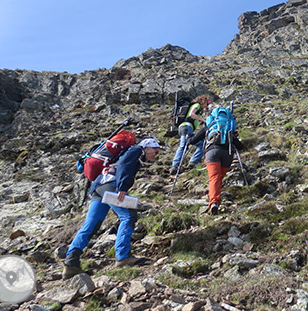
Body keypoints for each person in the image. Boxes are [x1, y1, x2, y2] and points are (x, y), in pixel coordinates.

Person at [62, 138, 161, 279]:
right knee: (128, 216)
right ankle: (123, 257)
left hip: (98, 186)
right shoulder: (136, 150)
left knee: (91, 224)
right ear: (148, 147)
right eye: (155, 151)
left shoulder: (131, 152)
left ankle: (71, 263)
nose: (155, 155)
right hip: (111, 184)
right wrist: (123, 187)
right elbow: (124, 166)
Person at [189, 108, 244, 215]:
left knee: (214, 177)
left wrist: (189, 138)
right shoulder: (229, 127)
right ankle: (215, 196)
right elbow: (239, 146)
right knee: (218, 177)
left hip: (212, 152)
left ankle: (214, 202)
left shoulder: (210, 125)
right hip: (227, 154)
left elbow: (194, 140)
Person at [170, 95, 209, 175]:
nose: (207, 105)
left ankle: (192, 163)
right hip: (187, 127)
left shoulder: (194, 106)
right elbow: (192, 114)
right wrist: (203, 120)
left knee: (201, 144)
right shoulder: (197, 105)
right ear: (203, 101)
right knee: (183, 145)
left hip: (184, 128)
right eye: (207, 103)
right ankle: (175, 166)